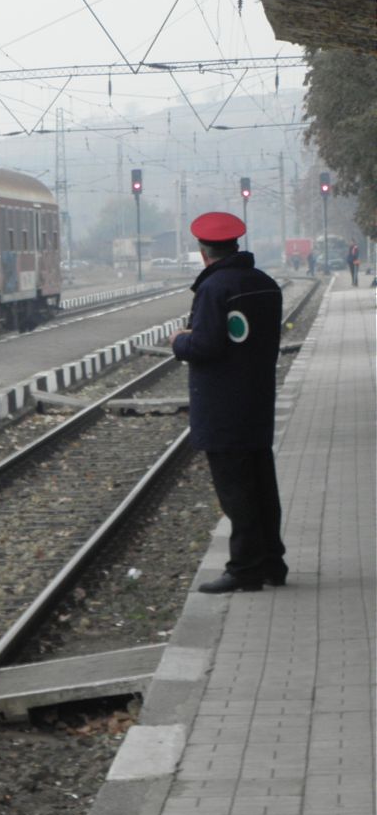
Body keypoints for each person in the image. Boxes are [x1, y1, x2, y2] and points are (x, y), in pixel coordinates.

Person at [169, 211, 288, 593]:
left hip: (222, 407)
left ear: (204, 252)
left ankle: (245, 569)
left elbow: (205, 345)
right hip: (258, 399)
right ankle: (272, 562)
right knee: (262, 487)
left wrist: (179, 341)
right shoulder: (265, 284)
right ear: (235, 244)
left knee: (236, 493)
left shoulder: (214, 289)